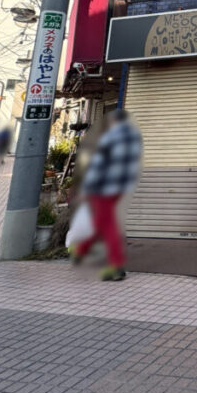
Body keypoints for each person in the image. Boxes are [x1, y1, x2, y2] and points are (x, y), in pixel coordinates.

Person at [70, 109, 141, 281]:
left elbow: (97, 166)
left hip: (103, 187)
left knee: (108, 226)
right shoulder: (132, 140)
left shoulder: (109, 139)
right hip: (119, 188)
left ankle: (116, 266)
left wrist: (85, 190)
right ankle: (81, 250)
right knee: (102, 221)